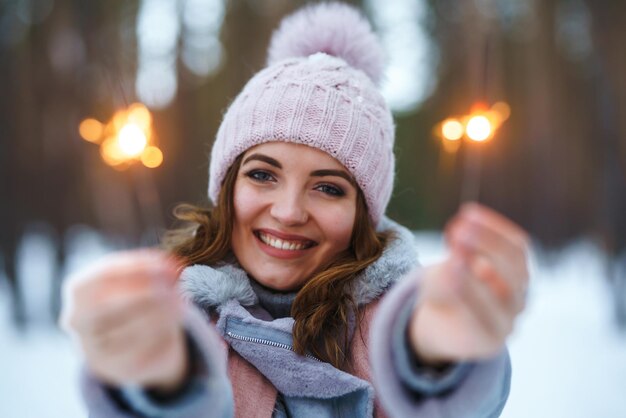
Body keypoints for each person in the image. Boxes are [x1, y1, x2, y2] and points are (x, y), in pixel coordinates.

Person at [61, 3, 529, 417]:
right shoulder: (181, 323)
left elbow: (442, 384)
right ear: (227, 188)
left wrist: (442, 354)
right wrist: (160, 383)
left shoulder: (387, 325)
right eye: (263, 175)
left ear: (363, 214)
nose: (287, 212)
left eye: (327, 188)